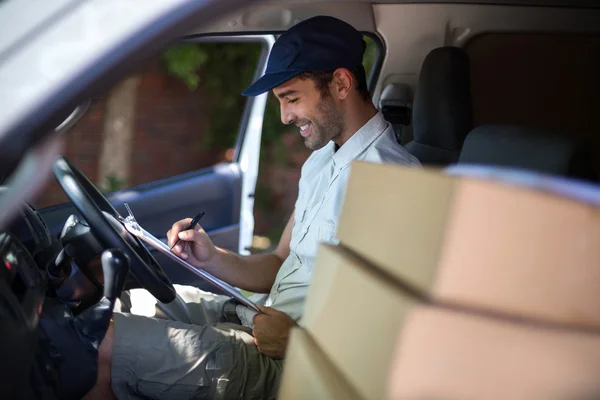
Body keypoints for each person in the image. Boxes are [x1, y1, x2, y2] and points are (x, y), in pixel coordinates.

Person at [85, 15, 421, 400]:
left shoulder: (394, 180)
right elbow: (280, 262)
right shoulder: (321, 162)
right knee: (103, 309)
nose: (285, 117)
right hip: (254, 316)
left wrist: (296, 343)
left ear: (341, 83)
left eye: (291, 98)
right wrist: (211, 258)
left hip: (290, 361)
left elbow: (391, 332)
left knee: (98, 349)